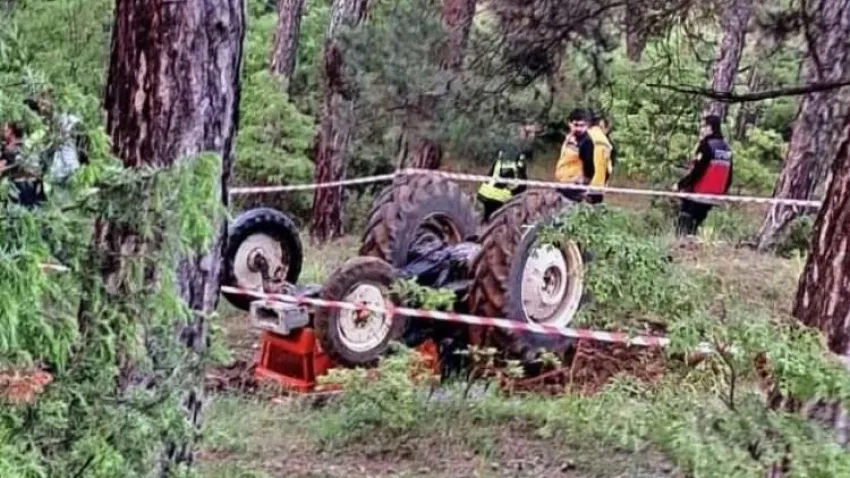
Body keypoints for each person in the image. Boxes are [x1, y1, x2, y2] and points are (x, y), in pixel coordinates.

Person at [674, 114, 734, 236]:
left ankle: (681, 243)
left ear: (709, 127)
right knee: (696, 224)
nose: (701, 130)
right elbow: (729, 175)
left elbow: (698, 171)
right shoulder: (727, 148)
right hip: (714, 195)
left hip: (699, 192)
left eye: (703, 126)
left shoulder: (707, 145)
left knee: (686, 222)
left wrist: (681, 184)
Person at [477, 124, 534, 222]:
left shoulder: (502, 152)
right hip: (499, 198)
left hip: (484, 193)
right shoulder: (520, 155)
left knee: (486, 222)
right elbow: (521, 183)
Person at [554, 108, 599, 201]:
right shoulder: (570, 138)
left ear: (587, 125)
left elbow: (590, 167)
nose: (579, 129)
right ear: (569, 123)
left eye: (582, 126)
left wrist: (583, 183)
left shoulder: (587, 142)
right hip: (562, 184)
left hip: (574, 188)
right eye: (576, 125)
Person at [1, 121, 46, 207]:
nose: (1, 130)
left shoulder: (21, 145)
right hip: (18, 185)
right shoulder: (6, 147)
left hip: (26, 185)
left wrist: (5, 169)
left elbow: (22, 165)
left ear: (11, 130)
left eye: (4, 128)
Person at [585, 111, 614, 204]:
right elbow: (608, 170)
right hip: (596, 188)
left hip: (578, 185)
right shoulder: (607, 145)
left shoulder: (583, 136)